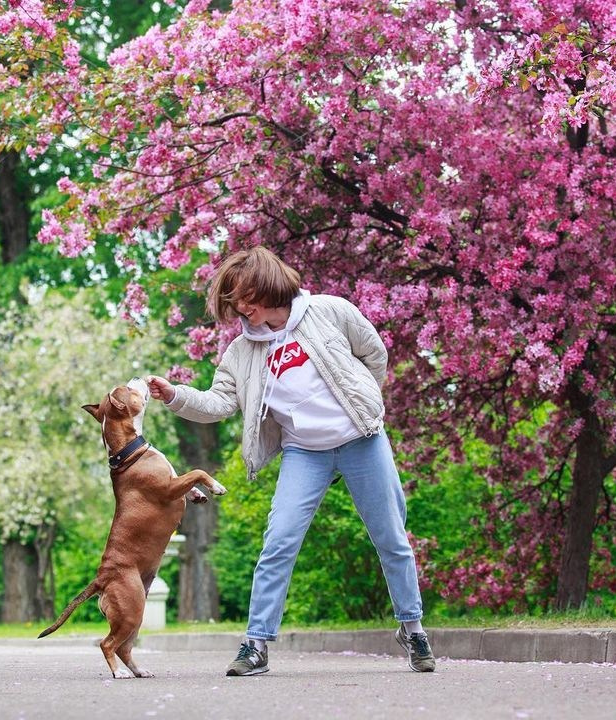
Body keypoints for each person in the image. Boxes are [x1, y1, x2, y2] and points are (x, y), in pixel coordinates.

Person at [146, 246, 435, 677]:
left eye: (247, 297)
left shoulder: (330, 312)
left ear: (269, 285)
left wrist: (363, 406)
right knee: (278, 542)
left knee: (391, 536)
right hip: (304, 453)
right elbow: (219, 402)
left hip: (362, 441)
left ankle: (412, 629)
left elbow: (373, 355)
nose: (242, 308)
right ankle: (256, 644)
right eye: (235, 302)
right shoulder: (242, 351)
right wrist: (175, 395)